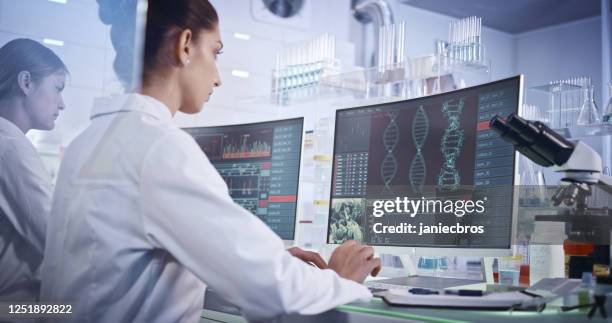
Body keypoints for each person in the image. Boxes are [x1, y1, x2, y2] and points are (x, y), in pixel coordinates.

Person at [40, 1, 380, 322]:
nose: (218, 76)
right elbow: (274, 290)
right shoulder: (159, 147)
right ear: (185, 45)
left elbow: (122, 267)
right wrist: (340, 279)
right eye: (215, 53)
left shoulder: (88, 141)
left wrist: (253, 263)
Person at [0, 38, 67, 301]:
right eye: (57, 88)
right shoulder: (11, 148)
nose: (62, 104)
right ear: (26, 82)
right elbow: (58, 242)